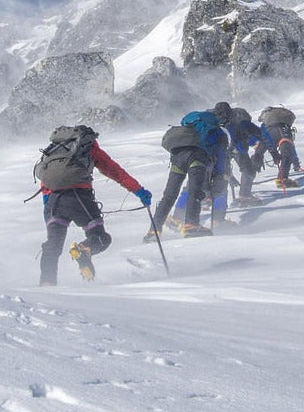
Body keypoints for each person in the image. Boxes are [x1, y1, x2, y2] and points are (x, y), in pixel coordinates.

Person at [38, 126, 152, 286]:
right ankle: (84, 249)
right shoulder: (88, 147)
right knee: (100, 237)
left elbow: (45, 180)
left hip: (53, 201)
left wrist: (47, 207)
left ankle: (47, 284)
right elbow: (115, 172)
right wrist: (139, 191)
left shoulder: (53, 150)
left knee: (53, 245)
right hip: (80, 198)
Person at [144, 102, 231, 241]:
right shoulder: (219, 133)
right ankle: (191, 225)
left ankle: (153, 230)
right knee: (195, 191)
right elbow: (220, 159)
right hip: (196, 157)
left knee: (169, 195)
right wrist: (219, 177)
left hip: (178, 155)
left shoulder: (194, 121)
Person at [252, 105, 304, 188]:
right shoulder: (284, 123)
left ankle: (249, 175)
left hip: (269, 132)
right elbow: (291, 149)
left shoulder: (266, 123)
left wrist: (273, 152)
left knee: (259, 152)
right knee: (287, 153)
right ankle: (282, 179)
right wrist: (295, 162)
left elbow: (265, 138)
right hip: (284, 131)